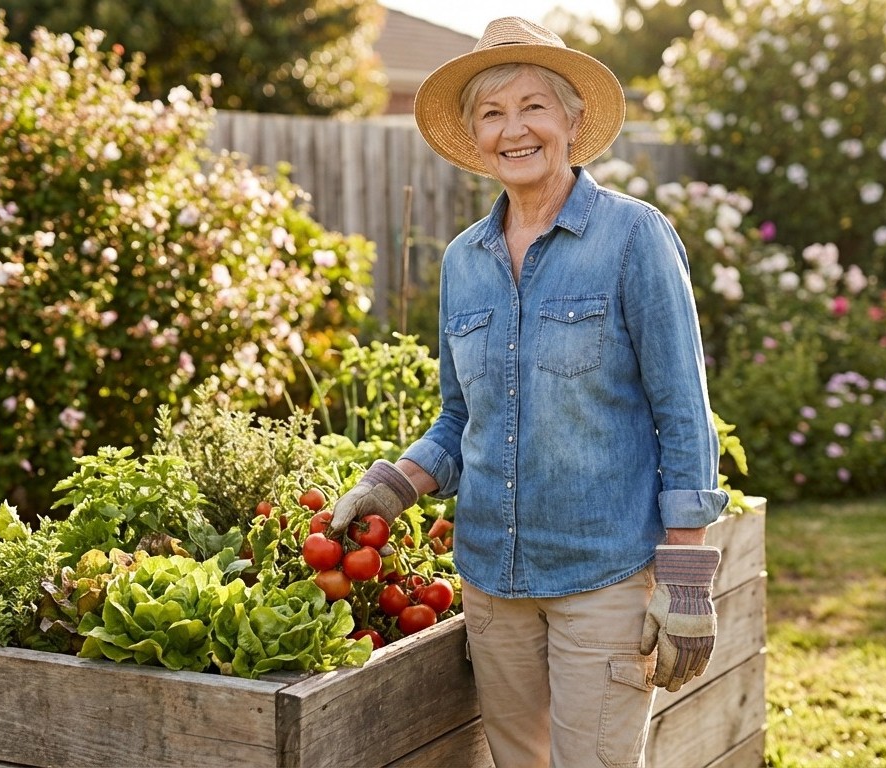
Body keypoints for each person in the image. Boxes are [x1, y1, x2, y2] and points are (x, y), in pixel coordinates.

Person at [329, 16, 728, 768]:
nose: (513, 129)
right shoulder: (464, 261)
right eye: (491, 112)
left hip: (601, 577)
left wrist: (684, 582)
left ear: (572, 121)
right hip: (492, 584)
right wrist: (389, 486)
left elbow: (682, 415)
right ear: (474, 136)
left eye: (532, 106)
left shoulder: (632, 238)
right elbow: (458, 417)